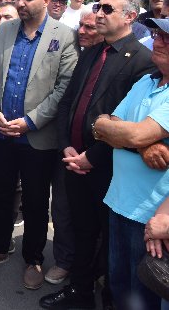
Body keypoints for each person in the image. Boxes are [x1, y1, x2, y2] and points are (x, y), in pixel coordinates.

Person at [40, 0, 155, 309]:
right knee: (81, 231)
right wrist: (66, 147)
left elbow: (128, 125)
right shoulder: (91, 52)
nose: (97, 13)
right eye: (97, 7)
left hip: (107, 168)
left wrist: (92, 156)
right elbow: (68, 104)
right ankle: (79, 291)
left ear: (130, 16)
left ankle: (106, 298)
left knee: (107, 241)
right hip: (74, 160)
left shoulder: (141, 62)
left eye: (107, 9)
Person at [0, 0, 78, 290]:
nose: (19, 2)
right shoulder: (4, 32)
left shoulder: (65, 36)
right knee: (0, 195)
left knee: (34, 201)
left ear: (46, 1)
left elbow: (63, 88)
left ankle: (33, 258)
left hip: (37, 136)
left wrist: (31, 121)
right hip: (1, 131)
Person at [92, 16, 169, 310]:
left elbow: (132, 131)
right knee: (120, 286)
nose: (157, 42)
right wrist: (144, 145)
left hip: (152, 216)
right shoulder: (145, 81)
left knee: (144, 295)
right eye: (157, 35)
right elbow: (101, 123)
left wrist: (135, 137)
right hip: (119, 203)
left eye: (166, 39)